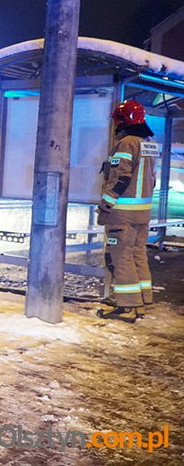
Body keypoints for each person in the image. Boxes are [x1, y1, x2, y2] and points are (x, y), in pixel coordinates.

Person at [96, 100, 156, 322]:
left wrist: (105, 204)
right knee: (138, 253)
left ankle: (127, 306)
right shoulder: (148, 143)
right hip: (143, 212)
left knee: (121, 257)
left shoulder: (126, 144)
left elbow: (121, 177)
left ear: (123, 120)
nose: (114, 124)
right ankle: (141, 302)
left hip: (123, 213)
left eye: (117, 119)